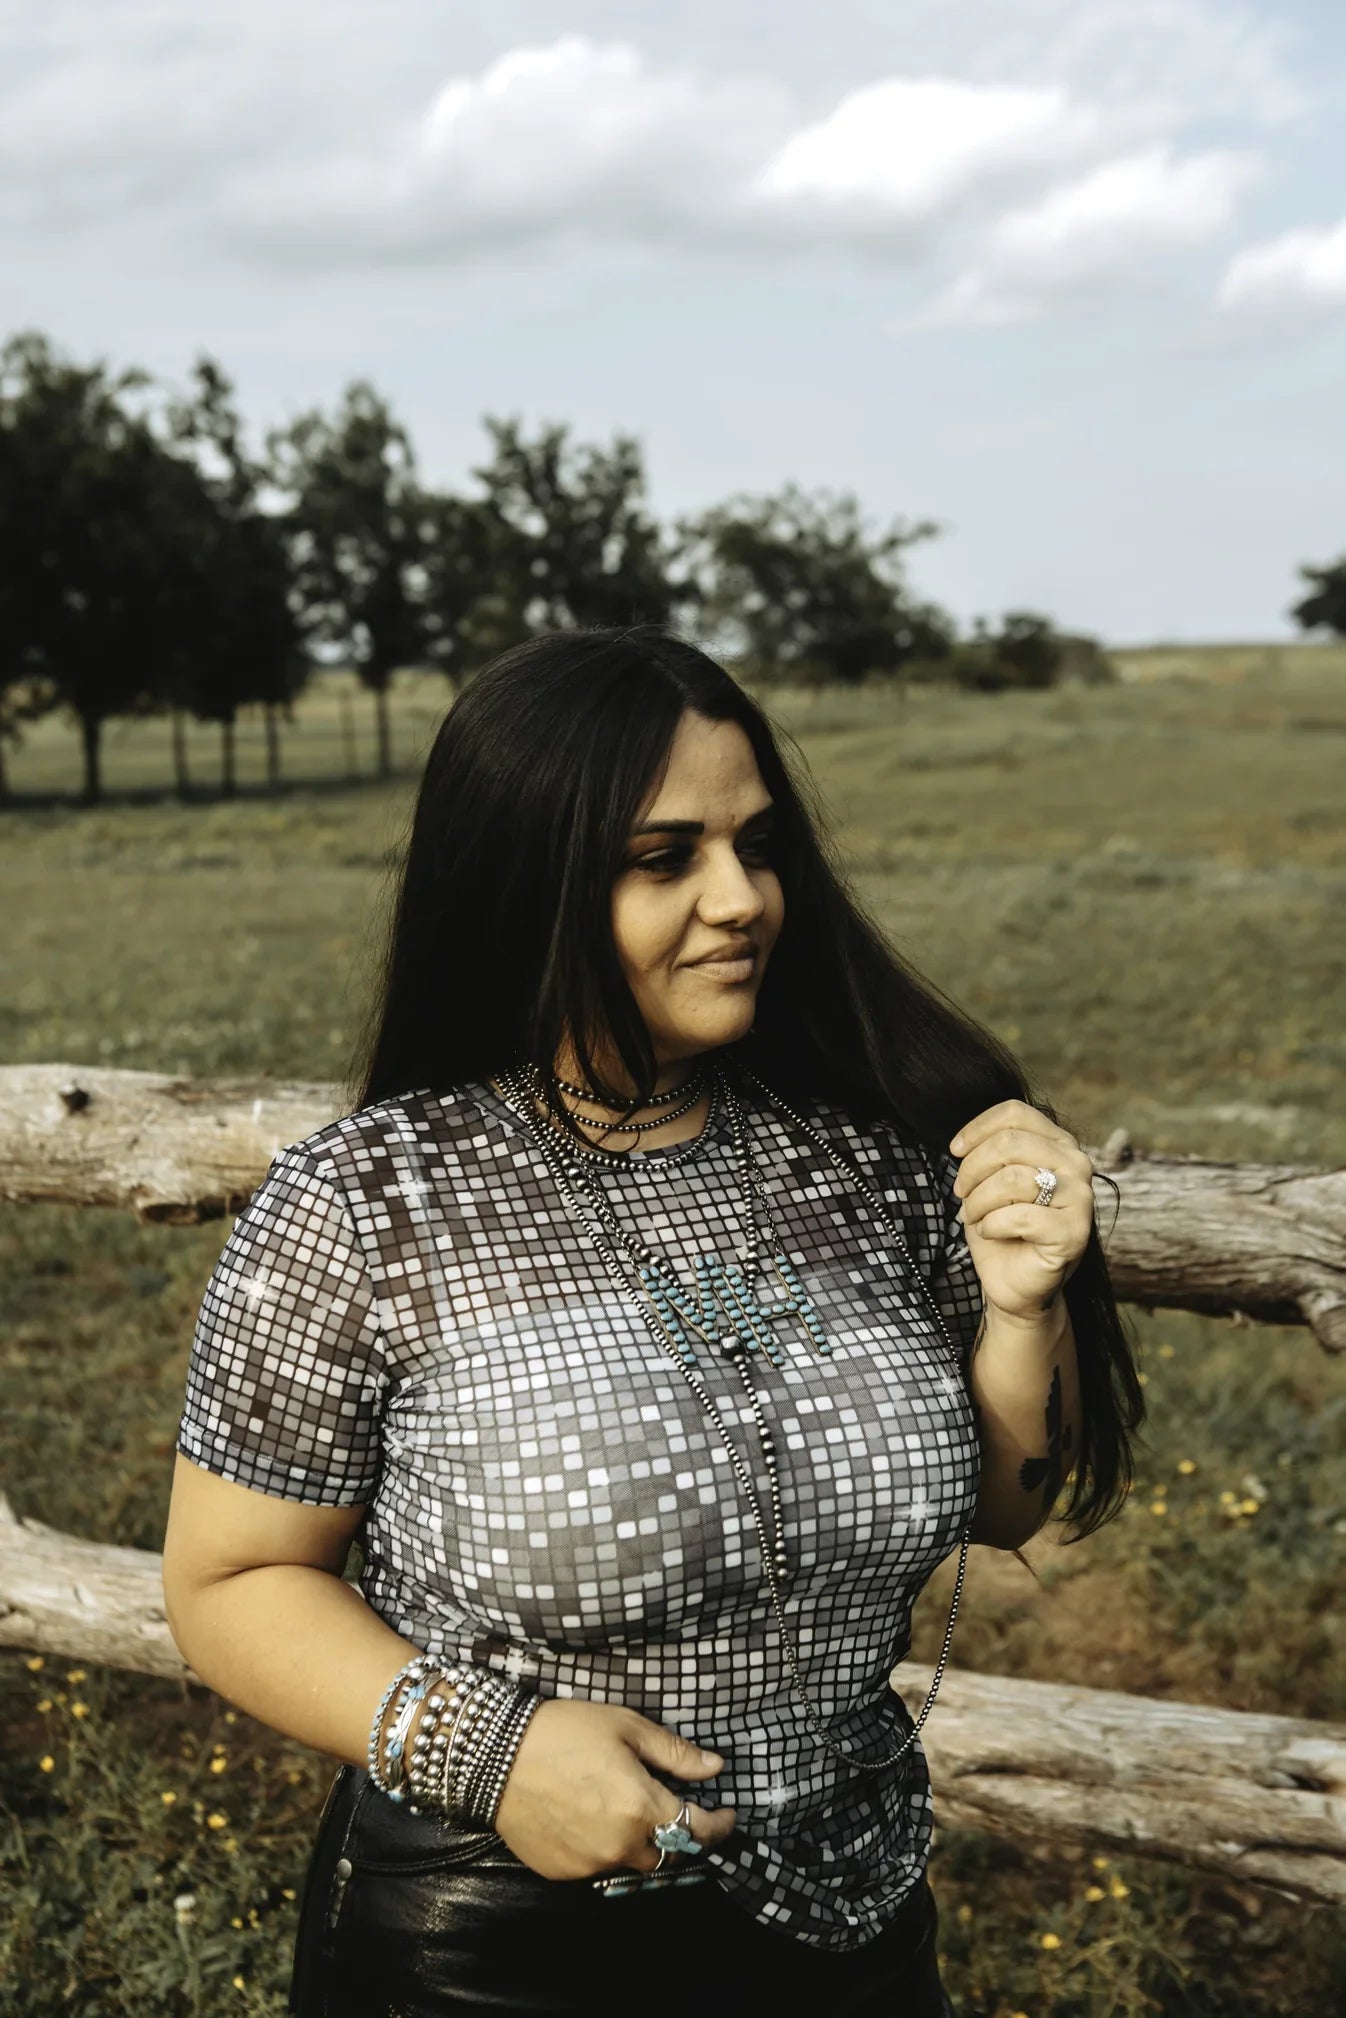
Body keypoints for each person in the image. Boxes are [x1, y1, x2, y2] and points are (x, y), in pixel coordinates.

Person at [162, 626, 1142, 2018]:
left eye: (755, 843)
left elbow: (1001, 1509)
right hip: (493, 1943)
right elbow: (228, 1582)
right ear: (529, 879)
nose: (742, 897)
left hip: (854, 1929)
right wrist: (494, 1752)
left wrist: (1022, 1306)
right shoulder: (373, 1196)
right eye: (662, 855)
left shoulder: (863, 1162)